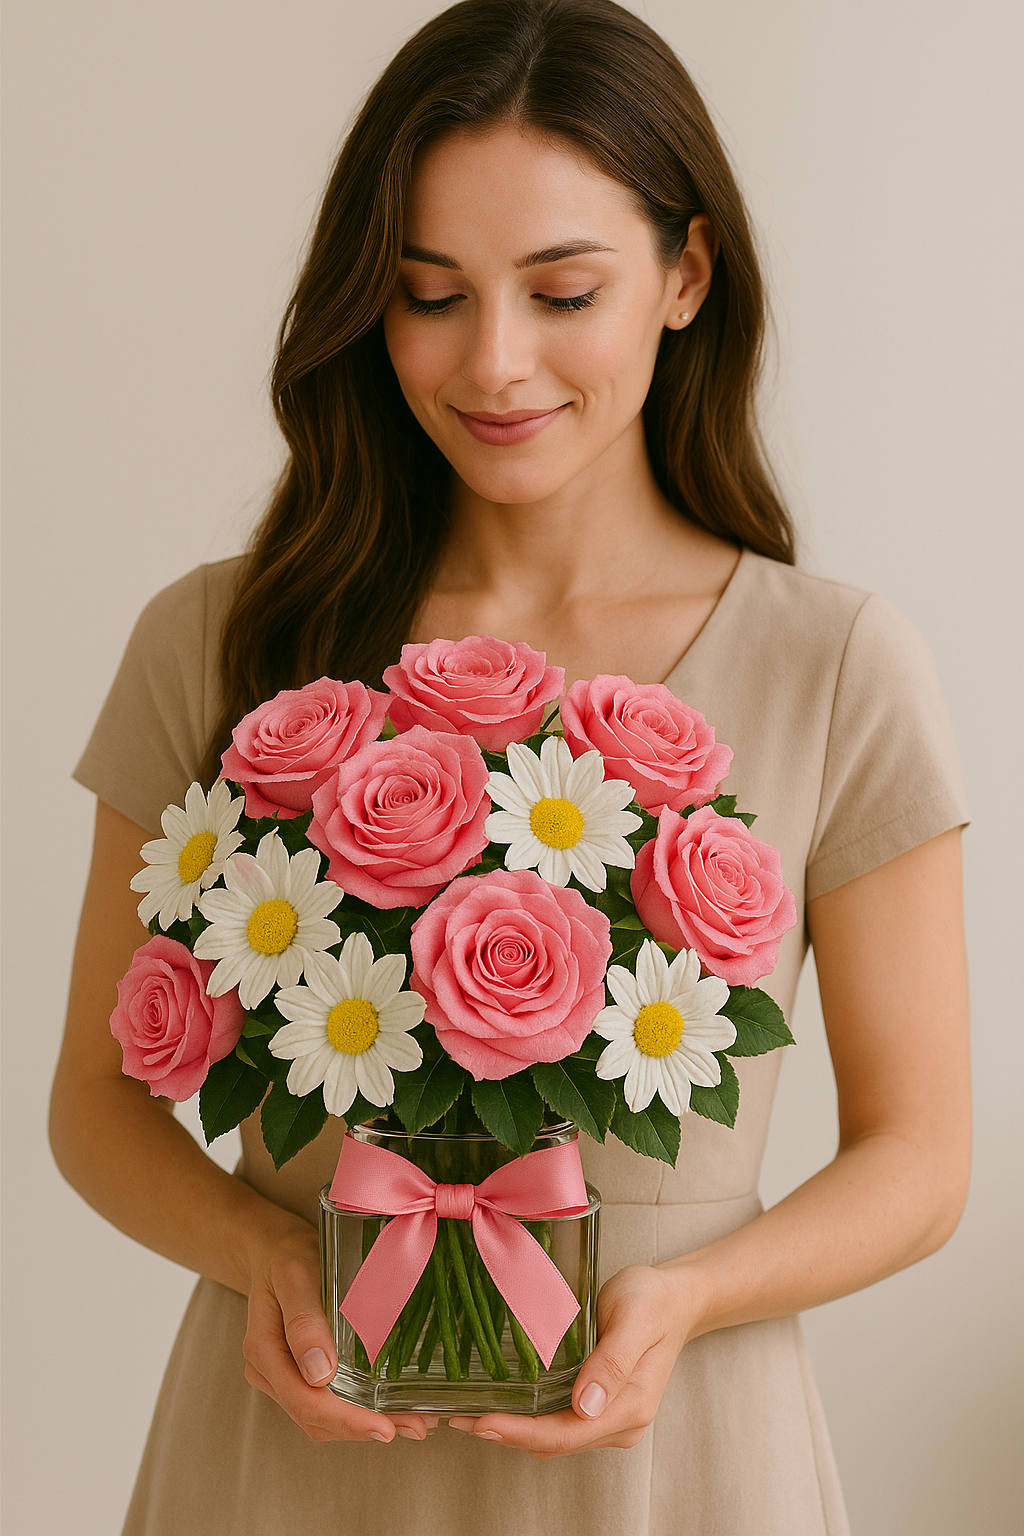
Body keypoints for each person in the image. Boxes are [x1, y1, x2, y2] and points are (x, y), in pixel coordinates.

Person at [49, 2, 971, 1532]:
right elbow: (95, 1095)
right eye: (429, 295)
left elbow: (922, 1156)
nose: (493, 363)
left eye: (562, 293)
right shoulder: (221, 637)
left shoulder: (837, 662)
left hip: (676, 1458)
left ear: (685, 275)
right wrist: (273, 1261)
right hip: (297, 1441)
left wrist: (686, 1299)